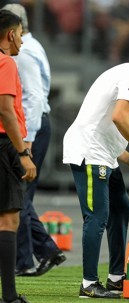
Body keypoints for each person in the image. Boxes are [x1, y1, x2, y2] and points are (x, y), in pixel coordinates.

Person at [63, 41, 129, 298]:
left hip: (104, 153)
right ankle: (89, 284)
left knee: (121, 207)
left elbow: (102, 120)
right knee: (97, 216)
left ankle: (116, 278)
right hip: (90, 153)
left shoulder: (126, 73)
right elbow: (119, 116)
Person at [2, 3, 66, 277]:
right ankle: (40, 252)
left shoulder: (23, 54)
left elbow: (35, 99)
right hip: (29, 127)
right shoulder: (30, 47)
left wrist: (25, 142)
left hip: (28, 129)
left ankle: (25, 258)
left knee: (19, 196)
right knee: (19, 196)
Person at [0, 9, 45, 303]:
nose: (21, 41)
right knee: (8, 220)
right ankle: (10, 298)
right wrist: (23, 153)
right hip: (5, 146)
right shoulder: (5, 62)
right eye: (20, 34)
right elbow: (6, 109)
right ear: (12, 34)